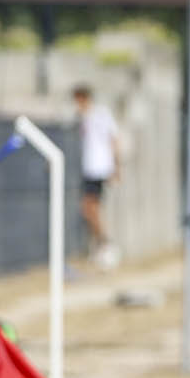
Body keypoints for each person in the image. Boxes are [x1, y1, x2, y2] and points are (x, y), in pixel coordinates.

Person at [72, 82, 120, 270]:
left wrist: (116, 167)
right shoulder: (83, 117)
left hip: (98, 169)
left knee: (89, 208)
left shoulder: (100, 114)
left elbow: (113, 138)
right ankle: (100, 246)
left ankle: (105, 243)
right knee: (92, 209)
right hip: (90, 169)